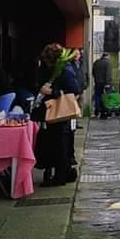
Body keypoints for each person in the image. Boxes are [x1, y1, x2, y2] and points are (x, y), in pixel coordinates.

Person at [34, 43, 82, 187]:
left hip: (58, 112)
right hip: (54, 112)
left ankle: (60, 175)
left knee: (59, 143)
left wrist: (52, 91)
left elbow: (74, 88)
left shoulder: (64, 69)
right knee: (60, 143)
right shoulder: (57, 68)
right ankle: (64, 172)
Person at [92, 53, 111, 119]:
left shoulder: (96, 62)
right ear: (107, 56)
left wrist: (96, 79)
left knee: (97, 96)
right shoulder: (107, 63)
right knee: (106, 97)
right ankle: (105, 111)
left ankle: (97, 110)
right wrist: (108, 83)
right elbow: (108, 74)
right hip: (105, 83)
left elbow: (93, 72)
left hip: (97, 82)